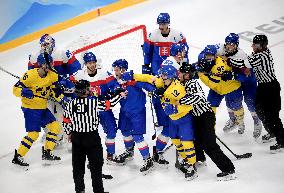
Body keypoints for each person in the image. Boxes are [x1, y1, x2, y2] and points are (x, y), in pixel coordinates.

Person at [122, 65, 197, 180]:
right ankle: (185, 160)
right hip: (172, 119)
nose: (162, 77)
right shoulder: (163, 81)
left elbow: (188, 105)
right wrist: (133, 76)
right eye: (162, 75)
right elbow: (148, 78)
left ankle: (192, 166)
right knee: (177, 142)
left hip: (183, 119)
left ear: (171, 77)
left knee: (187, 143)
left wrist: (175, 108)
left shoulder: (178, 89)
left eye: (164, 75)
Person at [178, 62, 236, 181]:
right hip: (197, 117)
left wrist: (181, 101)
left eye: (181, 73)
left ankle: (228, 169)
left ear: (187, 75)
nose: (178, 74)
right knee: (196, 139)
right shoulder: (183, 82)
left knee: (210, 145)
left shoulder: (192, 83)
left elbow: (198, 97)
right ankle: (200, 159)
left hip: (205, 116)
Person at [63, 79, 120, 193]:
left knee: (78, 167)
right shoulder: (93, 102)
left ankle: (80, 190)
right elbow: (110, 104)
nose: (90, 90)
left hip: (77, 137)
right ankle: (98, 191)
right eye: (88, 88)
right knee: (96, 165)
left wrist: (69, 133)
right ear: (85, 91)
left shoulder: (70, 104)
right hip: (91, 137)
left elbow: (66, 121)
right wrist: (120, 95)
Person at [12, 53, 66, 169]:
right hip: (30, 108)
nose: (51, 65)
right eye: (49, 63)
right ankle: (18, 156)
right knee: (34, 134)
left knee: (55, 127)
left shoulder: (52, 75)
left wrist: (61, 98)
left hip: (42, 108)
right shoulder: (30, 75)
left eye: (51, 63)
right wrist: (23, 92)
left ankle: (47, 152)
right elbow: (15, 89)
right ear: (42, 65)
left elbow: (54, 90)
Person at [72, 52, 126, 165]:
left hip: (103, 107)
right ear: (85, 64)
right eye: (89, 63)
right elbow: (68, 83)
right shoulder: (79, 75)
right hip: (88, 110)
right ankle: (90, 158)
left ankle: (110, 155)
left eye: (93, 62)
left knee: (111, 130)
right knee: (89, 134)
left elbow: (114, 84)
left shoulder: (104, 73)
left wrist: (117, 89)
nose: (92, 65)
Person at [28, 34, 81, 147]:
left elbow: (77, 70)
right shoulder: (34, 57)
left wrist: (64, 82)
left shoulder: (62, 53)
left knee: (64, 113)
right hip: (46, 91)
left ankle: (67, 135)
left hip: (62, 90)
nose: (45, 47)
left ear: (53, 44)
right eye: (43, 44)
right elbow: (31, 75)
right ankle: (51, 135)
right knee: (46, 114)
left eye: (47, 44)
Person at [143, 13, 188, 128]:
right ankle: (162, 121)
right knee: (157, 97)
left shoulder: (178, 34)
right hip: (157, 70)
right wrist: (146, 66)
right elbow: (147, 51)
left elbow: (185, 50)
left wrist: (185, 65)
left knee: (174, 95)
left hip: (174, 71)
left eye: (163, 23)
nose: (161, 26)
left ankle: (175, 118)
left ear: (168, 23)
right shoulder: (152, 35)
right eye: (160, 24)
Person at [112, 59, 158, 174]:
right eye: (114, 70)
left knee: (137, 136)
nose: (115, 72)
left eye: (117, 70)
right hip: (124, 112)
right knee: (125, 132)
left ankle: (148, 159)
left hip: (137, 113)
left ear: (123, 70)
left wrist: (152, 90)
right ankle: (129, 152)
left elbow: (148, 85)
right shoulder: (116, 82)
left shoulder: (133, 79)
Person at [216, 33, 262, 138]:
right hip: (233, 81)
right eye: (228, 44)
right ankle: (234, 120)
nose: (229, 46)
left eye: (232, 44)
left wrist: (233, 75)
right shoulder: (221, 49)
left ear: (237, 45)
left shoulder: (242, 56)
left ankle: (257, 121)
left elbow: (248, 75)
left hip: (248, 82)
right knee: (230, 100)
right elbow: (208, 51)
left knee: (250, 102)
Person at [246, 34, 284, 152]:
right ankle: (272, 132)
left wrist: (229, 58)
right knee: (260, 110)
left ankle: (282, 142)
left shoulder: (262, 56)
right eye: (253, 44)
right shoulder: (257, 53)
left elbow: (245, 62)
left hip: (271, 88)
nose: (253, 46)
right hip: (263, 87)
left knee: (273, 116)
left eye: (255, 44)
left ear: (262, 46)